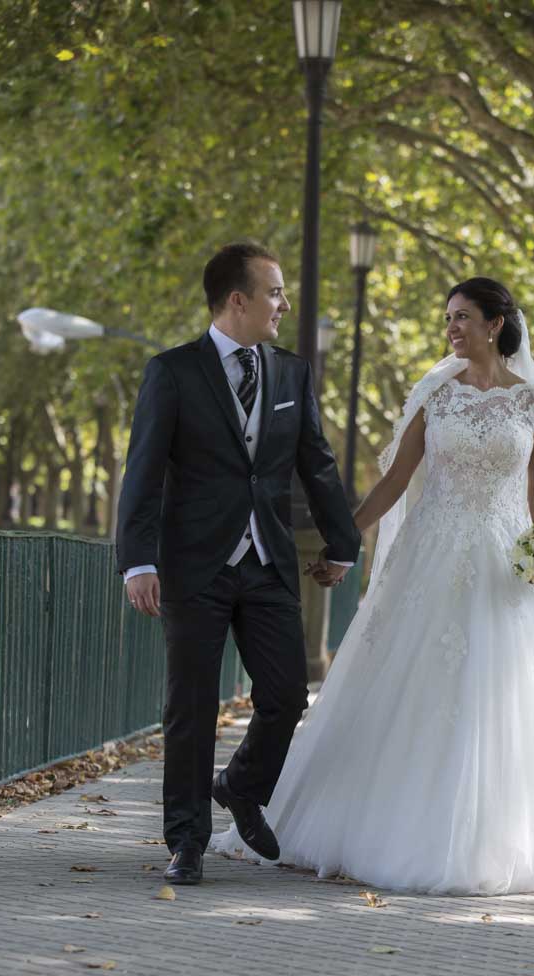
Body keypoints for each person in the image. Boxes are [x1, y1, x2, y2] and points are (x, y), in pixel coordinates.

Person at [211, 278, 534, 894]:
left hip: (503, 566)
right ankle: (367, 825)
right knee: (409, 681)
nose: (451, 328)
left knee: (494, 691)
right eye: (448, 317)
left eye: (463, 317)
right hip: (430, 555)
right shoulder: (436, 393)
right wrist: (345, 539)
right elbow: (397, 480)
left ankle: (486, 840)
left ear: (495, 324)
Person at [116, 242, 360, 886]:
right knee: (192, 708)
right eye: (274, 292)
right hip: (194, 565)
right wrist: (137, 561)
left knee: (286, 695)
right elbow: (143, 472)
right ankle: (186, 840)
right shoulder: (172, 372)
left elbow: (316, 462)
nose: (284, 304)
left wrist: (342, 543)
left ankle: (241, 785)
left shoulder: (291, 373)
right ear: (237, 300)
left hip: (267, 561)